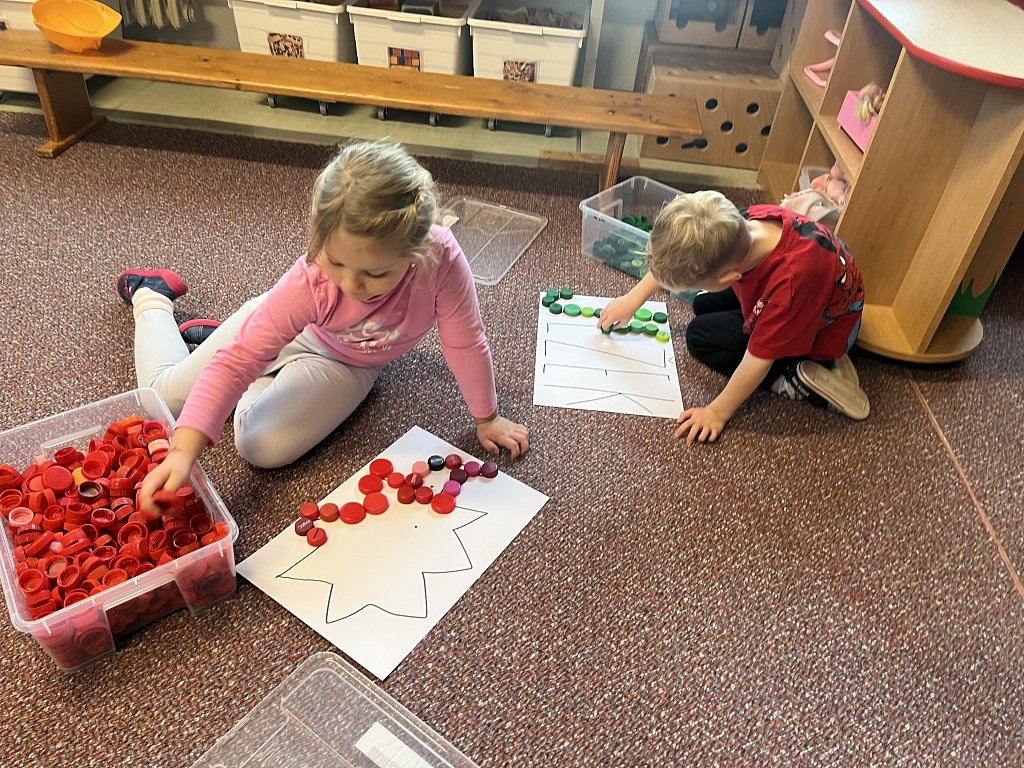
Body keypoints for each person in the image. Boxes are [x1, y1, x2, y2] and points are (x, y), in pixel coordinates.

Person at [118, 139, 529, 513]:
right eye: (335, 262)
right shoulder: (310, 282)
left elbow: (465, 342)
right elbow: (238, 360)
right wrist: (181, 453)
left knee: (258, 444)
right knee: (161, 398)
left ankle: (250, 357)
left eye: (375, 273)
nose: (350, 284)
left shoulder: (441, 260)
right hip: (295, 329)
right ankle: (151, 296)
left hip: (350, 363)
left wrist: (487, 417)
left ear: (416, 252)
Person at [598, 190, 867, 445]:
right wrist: (631, 301)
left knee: (700, 337)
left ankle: (793, 377)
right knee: (703, 303)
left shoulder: (790, 287)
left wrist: (717, 412)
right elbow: (675, 257)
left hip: (823, 330)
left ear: (728, 277)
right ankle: (760, 324)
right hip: (794, 292)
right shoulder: (734, 222)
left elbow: (758, 359)